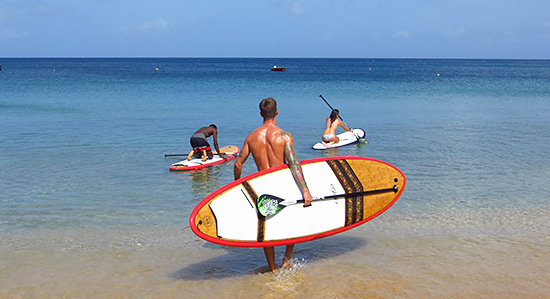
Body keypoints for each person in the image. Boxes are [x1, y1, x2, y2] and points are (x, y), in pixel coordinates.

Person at [234, 97, 313, 273]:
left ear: (261, 114)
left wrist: (236, 186)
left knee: (267, 228)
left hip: (263, 186)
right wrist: (305, 191)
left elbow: (238, 164)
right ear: (277, 112)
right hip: (283, 184)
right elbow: (293, 163)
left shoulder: (251, 137)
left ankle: (272, 269)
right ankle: (286, 260)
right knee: (291, 224)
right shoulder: (285, 136)